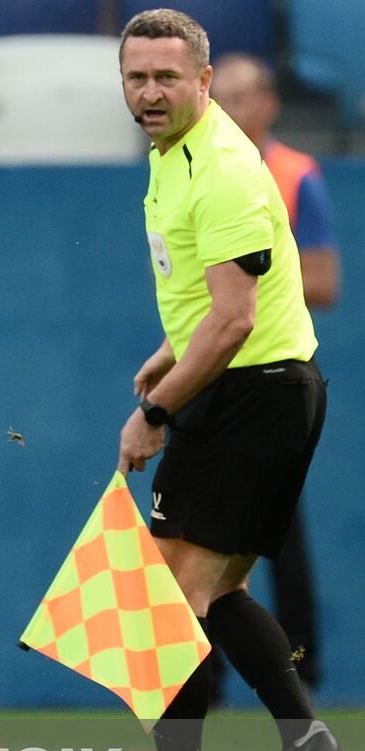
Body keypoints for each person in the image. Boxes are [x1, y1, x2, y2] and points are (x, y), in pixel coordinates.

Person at [116, 9, 340, 751]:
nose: (149, 91)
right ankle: (301, 737)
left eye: (166, 77)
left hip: (254, 389)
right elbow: (211, 301)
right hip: (238, 384)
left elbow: (238, 318)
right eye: (137, 77)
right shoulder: (169, 155)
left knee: (167, 598)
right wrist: (168, 352)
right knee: (215, 589)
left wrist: (155, 409)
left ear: (203, 83)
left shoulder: (223, 165)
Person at [210, 52, 339, 692]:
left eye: (241, 97)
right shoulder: (196, 170)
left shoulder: (294, 175)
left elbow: (325, 280)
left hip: (269, 373)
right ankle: (203, 684)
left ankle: (301, 676)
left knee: (275, 533)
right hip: (209, 370)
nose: (228, 109)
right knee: (206, 538)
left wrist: (246, 293)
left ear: (269, 105)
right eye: (219, 97)